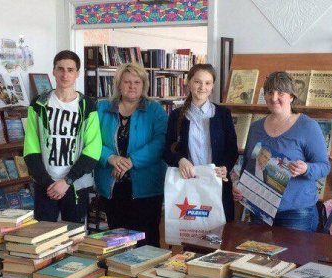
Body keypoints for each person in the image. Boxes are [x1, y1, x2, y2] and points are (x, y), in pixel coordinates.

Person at [233, 71, 330, 232]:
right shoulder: (256, 128)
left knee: (292, 251)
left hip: (296, 213)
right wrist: (240, 187)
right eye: (270, 92)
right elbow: (248, 166)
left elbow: (324, 166)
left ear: (291, 96)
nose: (274, 98)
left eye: (281, 93)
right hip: (260, 210)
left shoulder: (308, 126)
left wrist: (306, 168)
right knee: (257, 250)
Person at [23, 50, 101, 223]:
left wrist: (67, 181)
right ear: (53, 71)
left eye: (70, 70)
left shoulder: (87, 106)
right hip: (46, 185)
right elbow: (30, 148)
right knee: (44, 235)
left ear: (77, 73)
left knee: (74, 235)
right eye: (60, 69)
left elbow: (93, 149)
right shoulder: (38, 104)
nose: (65, 75)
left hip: (76, 185)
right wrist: (48, 183)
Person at [95, 62, 168, 247]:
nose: (132, 86)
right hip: (111, 187)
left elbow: (161, 141)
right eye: (127, 81)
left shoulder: (154, 110)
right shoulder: (102, 108)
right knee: (117, 242)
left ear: (144, 85)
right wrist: (110, 158)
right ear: (118, 84)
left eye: (137, 82)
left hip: (146, 188)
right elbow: (91, 140)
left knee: (147, 241)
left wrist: (131, 161)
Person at [163, 63, 238, 222]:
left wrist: (225, 167)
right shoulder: (176, 115)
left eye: (207, 83)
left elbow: (232, 149)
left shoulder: (223, 114)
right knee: (191, 232)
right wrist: (180, 160)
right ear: (189, 83)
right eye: (197, 82)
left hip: (217, 184)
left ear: (212, 86)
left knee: (222, 233)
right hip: (187, 186)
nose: (202, 87)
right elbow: (167, 149)